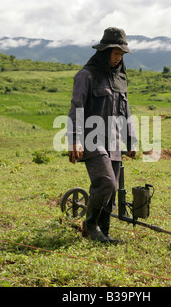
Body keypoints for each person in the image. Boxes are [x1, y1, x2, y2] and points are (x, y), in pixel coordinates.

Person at [67, 27, 137, 243]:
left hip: (114, 141)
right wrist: (74, 140)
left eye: (121, 55)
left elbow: (125, 111)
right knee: (105, 182)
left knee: (112, 190)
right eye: (116, 54)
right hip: (91, 138)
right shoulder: (86, 76)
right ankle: (89, 227)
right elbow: (77, 108)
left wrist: (130, 139)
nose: (118, 59)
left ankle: (103, 233)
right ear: (105, 51)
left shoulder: (119, 79)